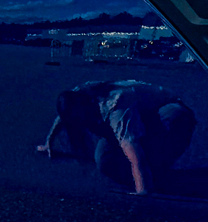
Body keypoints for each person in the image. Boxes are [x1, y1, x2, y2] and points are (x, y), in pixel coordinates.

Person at [37, 80, 196, 194]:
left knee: (176, 117)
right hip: (138, 115)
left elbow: (134, 154)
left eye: (80, 119)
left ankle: (154, 176)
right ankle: (145, 175)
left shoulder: (115, 107)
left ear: (88, 107)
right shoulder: (79, 94)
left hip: (165, 112)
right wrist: (49, 141)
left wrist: (142, 192)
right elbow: (63, 117)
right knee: (105, 160)